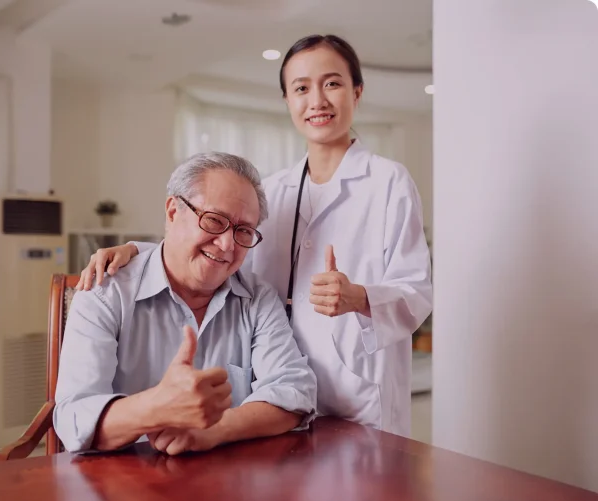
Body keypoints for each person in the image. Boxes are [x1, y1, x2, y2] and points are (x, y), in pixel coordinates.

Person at [76, 34, 432, 437]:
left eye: (332, 83)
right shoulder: (273, 190)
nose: (317, 100)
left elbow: (417, 291)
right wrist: (137, 253)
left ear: (357, 91)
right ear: (287, 101)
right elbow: (223, 257)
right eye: (301, 88)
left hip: (358, 396)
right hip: (273, 396)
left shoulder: (388, 182)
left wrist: (360, 298)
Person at [53, 152, 317, 455]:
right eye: (214, 220)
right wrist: (157, 406)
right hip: (119, 487)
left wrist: (214, 430)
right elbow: (74, 419)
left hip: (226, 484)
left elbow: (296, 393)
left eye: (243, 231)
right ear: (172, 212)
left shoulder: (258, 299)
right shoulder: (105, 292)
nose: (227, 245)